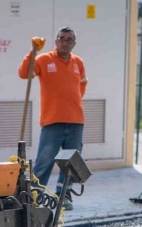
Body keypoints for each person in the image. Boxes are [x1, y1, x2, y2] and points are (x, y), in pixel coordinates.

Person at [18, 27, 87, 210]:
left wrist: (72, 103)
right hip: (52, 121)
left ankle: (63, 196)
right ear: (56, 41)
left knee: (71, 163)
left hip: (76, 120)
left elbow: (82, 86)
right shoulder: (43, 59)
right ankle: (35, 195)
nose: (65, 42)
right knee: (44, 161)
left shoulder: (78, 62)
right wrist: (33, 52)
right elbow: (25, 73)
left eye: (69, 39)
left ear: (74, 43)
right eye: (61, 38)